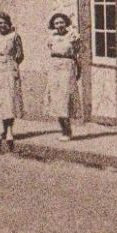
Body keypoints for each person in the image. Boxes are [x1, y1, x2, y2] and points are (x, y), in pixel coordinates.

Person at [0, 12, 24, 152]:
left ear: (8, 23)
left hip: (9, 70)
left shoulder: (14, 36)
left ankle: (9, 131)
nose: (2, 25)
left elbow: (20, 55)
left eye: (4, 22)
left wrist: (11, 63)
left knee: (9, 100)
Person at [43, 12, 82, 140]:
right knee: (56, 97)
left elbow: (78, 53)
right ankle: (63, 129)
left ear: (66, 23)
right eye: (56, 23)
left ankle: (67, 130)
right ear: (53, 25)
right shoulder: (51, 37)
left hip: (67, 66)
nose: (59, 25)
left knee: (66, 97)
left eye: (61, 22)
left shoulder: (72, 36)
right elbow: (50, 52)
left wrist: (78, 69)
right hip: (54, 67)